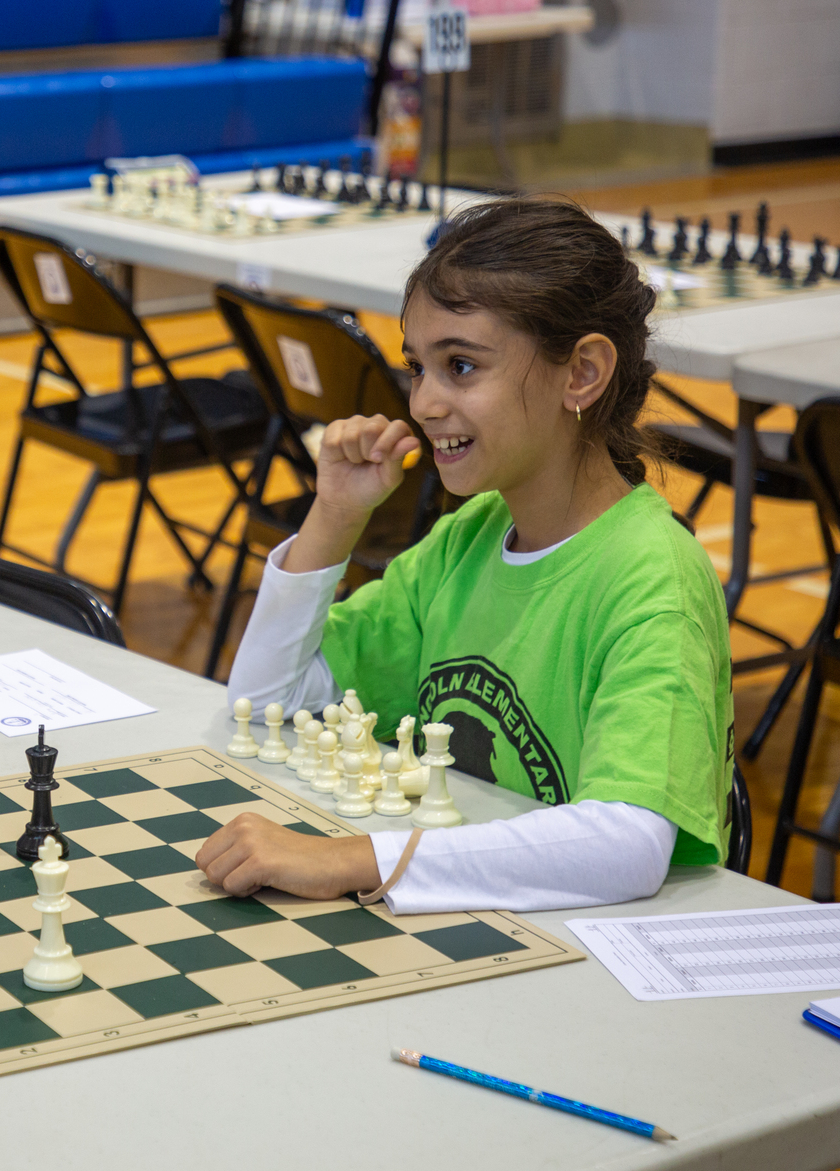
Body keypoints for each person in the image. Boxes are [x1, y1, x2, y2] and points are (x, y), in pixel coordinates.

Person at [201, 197, 732, 914]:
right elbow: (266, 708)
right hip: (472, 915)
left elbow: (629, 842)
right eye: (417, 367)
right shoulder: (469, 536)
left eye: (461, 366)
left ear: (582, 374)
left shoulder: (651, 577)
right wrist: (333, 517)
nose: (422, 402)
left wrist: (352, 860)